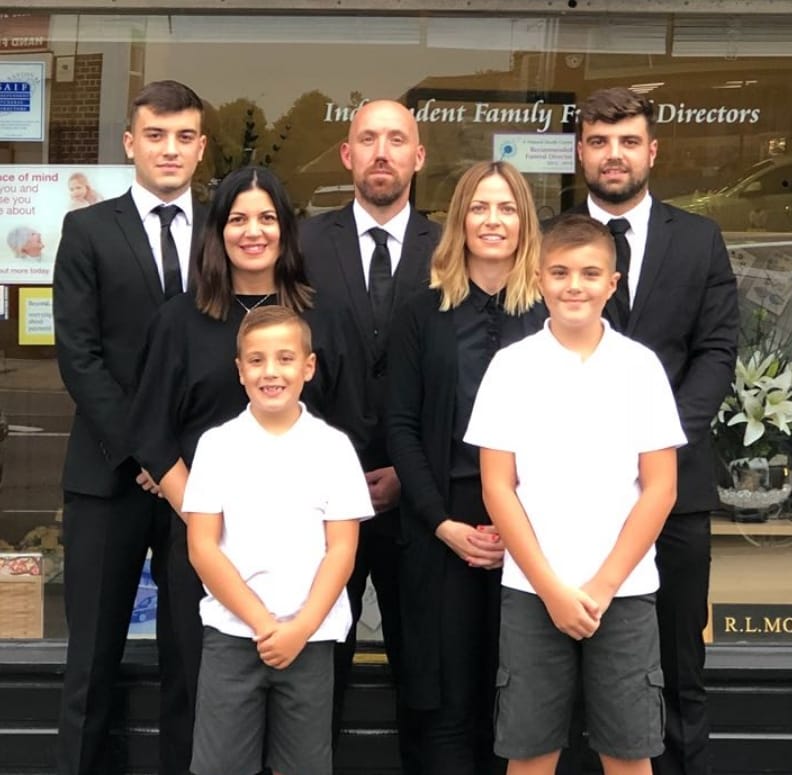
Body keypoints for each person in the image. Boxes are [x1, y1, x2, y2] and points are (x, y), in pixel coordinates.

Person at [130, 164, 343, 758]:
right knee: (200, 704)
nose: (254, 232)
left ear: (286, 230)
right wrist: (204, 514)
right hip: (204, 550)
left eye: (268, 218)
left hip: (305, 559)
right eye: (238, 218)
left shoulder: (320, 315)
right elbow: (150, 431)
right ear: (217, 229)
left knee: (298, 732)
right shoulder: (180, 318)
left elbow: (347, 421)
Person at [466, 213, 688, 775]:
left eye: (591, 274)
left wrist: (604, 584)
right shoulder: (510, 368)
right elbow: (498, 487)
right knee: (531, 751)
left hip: (626, 591)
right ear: (538, 278)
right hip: (532, 591)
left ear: (612, 285)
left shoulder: (641, 368)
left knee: (629, 751)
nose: (574, 286)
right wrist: (552, 588)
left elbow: (659, 488)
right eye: (560, 272)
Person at [568, 87, 739, 775]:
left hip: (673, 492)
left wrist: (655, 445)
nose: (615, 156)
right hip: (567, 494)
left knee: (676, 665)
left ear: (652, 150)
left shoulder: (699, 239)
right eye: (601, 141)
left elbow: (716, 351)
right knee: (564, 664)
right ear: (581, 149)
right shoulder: (549, 240)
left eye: (628, 141)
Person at [52, 79, 207, 775]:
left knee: (195, 660)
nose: (168, 150)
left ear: (201, 147)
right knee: (90, 664)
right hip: (109, 475)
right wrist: (147, 452)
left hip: (202, 484)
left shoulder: (227, 232)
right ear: (129, 143)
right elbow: (79, 357)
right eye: (154, 135)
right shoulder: (87, 230)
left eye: (182, 137)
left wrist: (180, 464)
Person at [386, 160, 546, 775]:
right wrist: (440, 523)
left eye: (506, 208)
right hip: (440, 525)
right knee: (443, 704)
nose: (493, 220)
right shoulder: (419, 314)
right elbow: (401, 425)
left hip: (530, 534)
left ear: (523, 221)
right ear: (459, 220)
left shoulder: (551, 319)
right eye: (480, 207)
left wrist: (522, 531)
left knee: (520, 698)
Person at [300, 98, 441, 769]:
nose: (382, 151)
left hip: (419, 501)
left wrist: (407, 472)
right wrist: (340, 472)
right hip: (321, 503)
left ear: (419, 156)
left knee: (424, 682)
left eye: (397, 140)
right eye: (368, 139)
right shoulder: (301, 246)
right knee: (317, 676)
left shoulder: (453, 248)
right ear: (346, 156)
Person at [183, 305, 373, 775]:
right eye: (257, 360)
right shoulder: (217, 445)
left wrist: (300, 627)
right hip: (232, 635)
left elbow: (343, 549)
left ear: (308, 367)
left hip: (310, 637)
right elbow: (202, 546)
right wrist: (263, 625)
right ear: (240, 370)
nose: (272, 372)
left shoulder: (333, 447)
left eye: (286, 359)